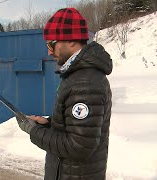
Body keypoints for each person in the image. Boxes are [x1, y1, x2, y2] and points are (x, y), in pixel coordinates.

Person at [15, 8, 112, 180]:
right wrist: (48, 124)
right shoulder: (78, 75)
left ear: (72, 41)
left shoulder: (85, 82)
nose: (49, 52)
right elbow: (77, 128)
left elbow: (79, 146)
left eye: (51, 44)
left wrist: (34, 131)